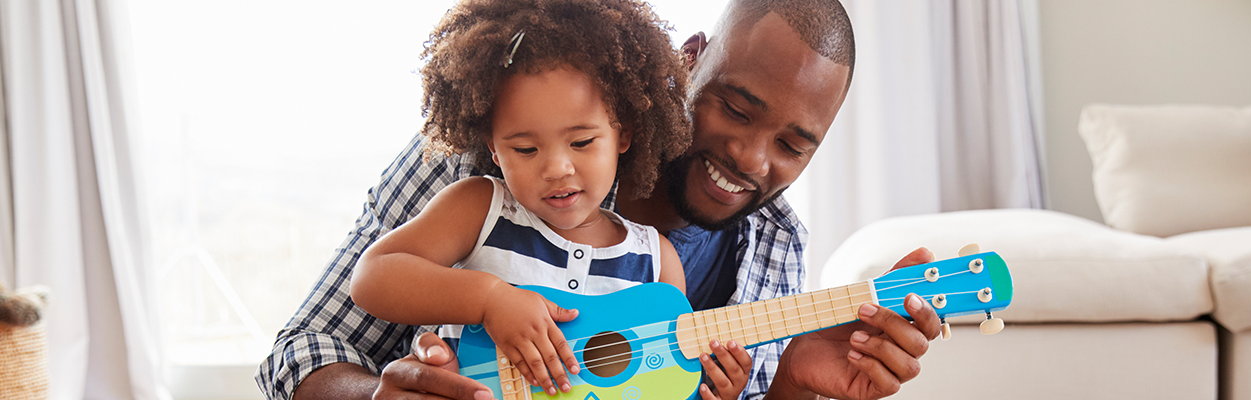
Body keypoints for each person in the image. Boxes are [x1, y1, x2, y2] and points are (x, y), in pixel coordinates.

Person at [256, 0, 944, 399]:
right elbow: (301, 350)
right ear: (689, 59)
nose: (751, 159)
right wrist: (374, 396)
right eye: (736, 109)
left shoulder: (773, 243)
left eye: (793, 145)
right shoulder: (500, 152)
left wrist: (791, 383)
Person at [345, 1, 750, 399]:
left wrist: (710, 392)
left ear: (623, 134)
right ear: (494, 147)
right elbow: (373, 277)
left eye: (582, 142)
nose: (557, 168)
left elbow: (654, 385)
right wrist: (489, 299)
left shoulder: (656, 261)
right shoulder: (482, 209)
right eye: (525, 149)